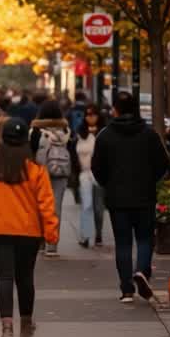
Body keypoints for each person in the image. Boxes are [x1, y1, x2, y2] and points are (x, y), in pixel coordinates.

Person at [0, 118, 59, 337]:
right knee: (25, 277)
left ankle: (6, 329)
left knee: (4, 277)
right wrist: (51, 234)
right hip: (28, 231)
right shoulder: (36, 171)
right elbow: (46, 204)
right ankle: (26, 323)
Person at [92, 91, 170, 303]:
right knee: (145, 239)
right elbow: (162, 163)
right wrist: (150, 180)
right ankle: (141, 271)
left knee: (123, 243)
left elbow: (97, 167)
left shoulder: (105, 136)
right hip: (144, 195)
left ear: (115, 110)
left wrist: (109, 184)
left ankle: (126, 289)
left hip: (117, 198)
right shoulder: (149, 134)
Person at [29, 100, 75, 256]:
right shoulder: (66, 130)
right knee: (56, 209)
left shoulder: (35, 131)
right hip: (60, 173)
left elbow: (30, 152)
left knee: (39, 207)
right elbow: (71, 151)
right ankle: (52, 244)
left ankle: (41, 241)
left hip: (39, 173)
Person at [74, 105, 107, 248]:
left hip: (99, 173)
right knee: (86, 205)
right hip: (84, 172)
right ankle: (86, 236)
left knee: (99, 207)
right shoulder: (80, 133)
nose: (90, 117)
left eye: (93, 114)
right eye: (87, 114)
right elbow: (74, 152)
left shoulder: (104, 132)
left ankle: (98, 234)